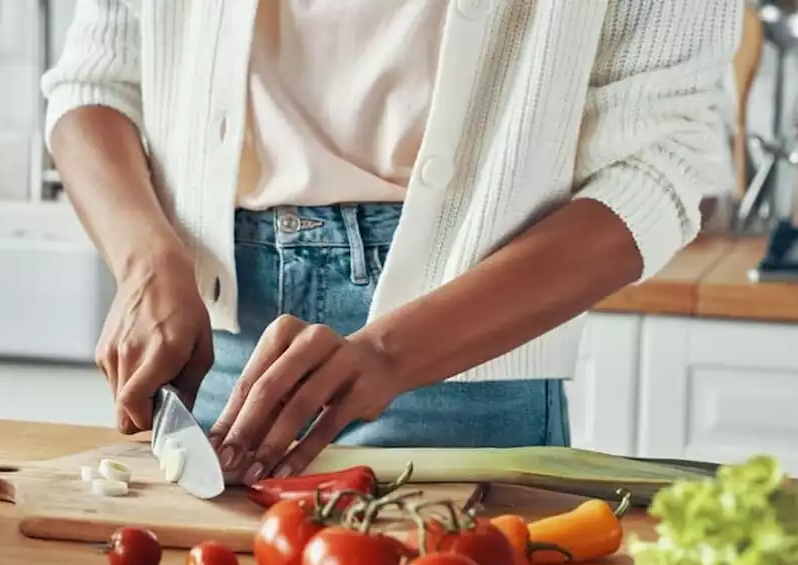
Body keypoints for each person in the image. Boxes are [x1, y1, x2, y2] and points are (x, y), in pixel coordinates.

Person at [41, 1, 740, 486]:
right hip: (211, 350)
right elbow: (97, 81)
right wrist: (146, 259)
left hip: (463, 364)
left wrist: (388, 352)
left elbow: (662, 166)